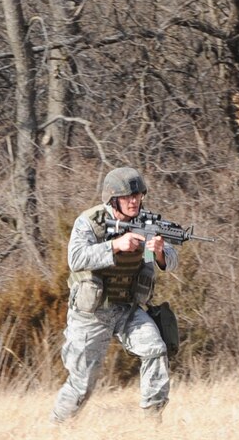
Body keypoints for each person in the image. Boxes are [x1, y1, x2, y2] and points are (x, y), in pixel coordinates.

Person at [50, 166, 178, 422]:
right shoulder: (91, 221)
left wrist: (159, 251)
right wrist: (114, 246)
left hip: (127, 309)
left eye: (138, 195)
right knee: (82, 384)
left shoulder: (148, 223)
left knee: (155, 348)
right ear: (113, 199)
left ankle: (153, 421)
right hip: (92, 312)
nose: (134, 201)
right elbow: (75, 258)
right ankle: (56, 427)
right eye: (128, 197)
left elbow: (165, 262)